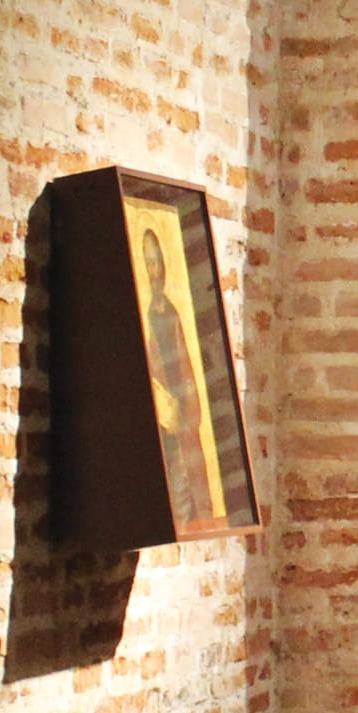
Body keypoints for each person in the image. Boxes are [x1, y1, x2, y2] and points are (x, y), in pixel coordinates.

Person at [141, 225, 220, 525]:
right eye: (148, 263)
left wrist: (182, 407)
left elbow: (185, 364)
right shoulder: (147, 313)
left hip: (181, 411)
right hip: (161, 414)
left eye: (158, 261)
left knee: (188, 486)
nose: (155, 270)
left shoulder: (171, 311)